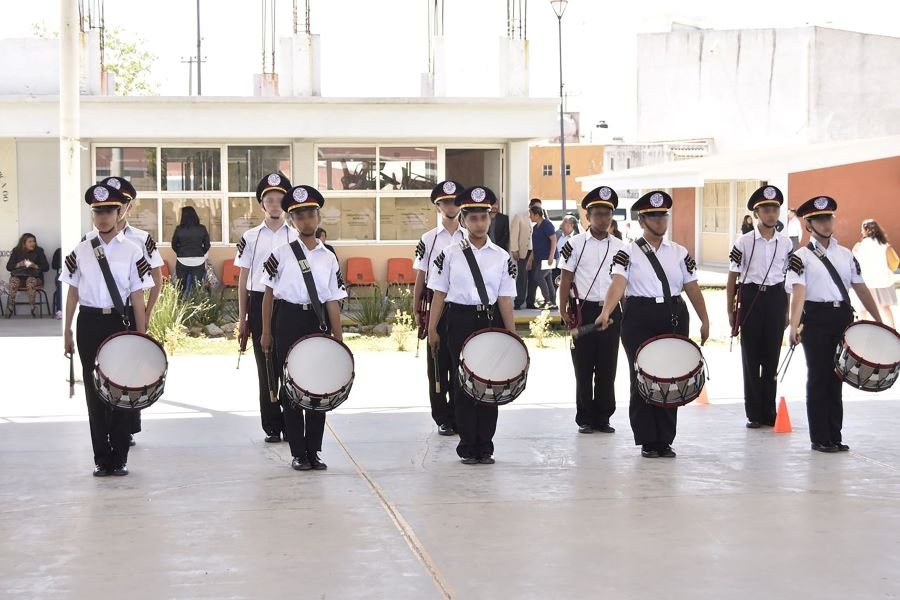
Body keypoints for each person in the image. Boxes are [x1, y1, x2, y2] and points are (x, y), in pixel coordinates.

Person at [596, 190, 710, 459]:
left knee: (672, 378)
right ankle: (648, 439)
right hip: (639, 316)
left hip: (673, 313)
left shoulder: (679, 252)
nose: (660, 221)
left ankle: (665, 440)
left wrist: (705, 319)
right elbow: (618, 283)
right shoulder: (627, 252)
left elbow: (692, 287)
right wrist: (606, 311)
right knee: (643, 376)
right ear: (642, 220)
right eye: (654, 217)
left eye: (663, 216)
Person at [62, 184, 154, 477]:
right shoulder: (81, 250)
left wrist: (141, 335)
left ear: (119, 213)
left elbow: (137, 296)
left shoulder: (132, 251)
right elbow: (72, 293)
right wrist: (67, 331)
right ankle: (101, 458)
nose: (103, 217)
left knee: (122, 390)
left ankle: (120, 456)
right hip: (89, 323)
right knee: (94, 392)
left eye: (108, 211)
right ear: (92, 215)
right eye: (97, 212)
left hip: (119, 322)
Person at [427, 186, 517, 465]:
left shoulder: (501, 257)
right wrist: (432, 329)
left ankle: (485, 446)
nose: (479, 223)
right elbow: (439, 293)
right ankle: (468, 446)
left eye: (484, 217)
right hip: (459, 320)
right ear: (464, 220)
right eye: (473, 218)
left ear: (490, 218)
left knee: (489, 384)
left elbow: (505, 298)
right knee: (464, 384)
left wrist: (512, 334)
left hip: (490, 320)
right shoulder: (449, 254)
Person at [786, 196, 882, 453]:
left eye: (828, 218)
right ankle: (820, 437)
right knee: (819, 375)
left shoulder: (846, 254)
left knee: (837, 376)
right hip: (815, 319)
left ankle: (834, 435)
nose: (826, 223)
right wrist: (793, 326)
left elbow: (861, 288)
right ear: (808, 225)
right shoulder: (801, 257)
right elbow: (798, 292)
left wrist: (879, 320)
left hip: (842, 318)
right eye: (819, 219)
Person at [260, 184, 347, 471]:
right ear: (292, 220)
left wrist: (338, 337)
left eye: (310, 215)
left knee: (318, 387)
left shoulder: (329, 256)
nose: (306, 221)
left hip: (316, 321)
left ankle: (314, 450)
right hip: (287, 320)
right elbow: (268, 295)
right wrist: (266, 332)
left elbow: (332, 299)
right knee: (291, 387)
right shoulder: (281, 253)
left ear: (318, 218)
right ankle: (298, 452)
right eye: (299, 216)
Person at [85, 176, 165, 446]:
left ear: (127, 207)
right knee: (102, 372)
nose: (112, 211)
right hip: (97, 314)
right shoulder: (90, 241)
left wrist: (147, 313)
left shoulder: (141, 239)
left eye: (120, 204)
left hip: (129, 312)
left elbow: (156, 279)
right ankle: (106, 430)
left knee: (128, 373)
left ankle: (126, 428)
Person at [235, 173, 297, 444]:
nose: (274, 204)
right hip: (259, 301)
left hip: (286, 304)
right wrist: (242, 318)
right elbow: (243, 279)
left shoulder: (295, 235)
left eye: (279, 200)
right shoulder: (250, 237)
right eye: (269, 200)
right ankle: (272, 424)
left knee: (289, 364)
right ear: (262, 204)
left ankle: (291, 422)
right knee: (265, 365)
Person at [559, 186, 626, 435]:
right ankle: (585, 418)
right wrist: (562, 308)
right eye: (598, 214)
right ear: (587, 216)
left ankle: (603, 417)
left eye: (607, 214)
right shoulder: (574, 244)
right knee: (584, 368)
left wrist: (625, 312)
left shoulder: (621, 247)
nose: (603, 219)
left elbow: (623, 284)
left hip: (611, 312)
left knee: (608, 368)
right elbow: (566, 278)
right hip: (583, 310)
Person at [726, 185, 793, 429]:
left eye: (774, 209)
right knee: (751, 358)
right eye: (765, 210)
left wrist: (787, 311)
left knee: (772, 357)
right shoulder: (743, 241)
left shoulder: (786, 243)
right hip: (751, 297)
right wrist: (730, 310)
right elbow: (732, 276)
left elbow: (788, 280)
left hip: (775, 298)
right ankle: (754, 413)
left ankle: (769, 411)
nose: (771, 214)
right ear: (756, 214)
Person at [413, 180, 467, 436]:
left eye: (455, 202)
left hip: (461, 306)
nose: (450, 206)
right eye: (445, 203)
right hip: (436, 307)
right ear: (438, 207)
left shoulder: (469, 236)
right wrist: (416, 308)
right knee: (436, 364)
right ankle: (442, 417)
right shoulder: (429, 239)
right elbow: (421, 274)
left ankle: (458, 414)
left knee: (460, 364)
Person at [853, 219, 898, 329]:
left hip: (867, 282)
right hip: (884, 281)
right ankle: (893, 329)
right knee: (885, 307)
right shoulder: (885, 245)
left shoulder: (859, 246)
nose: (861, 232)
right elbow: (894, 263)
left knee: (864, 308)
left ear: (865, 230)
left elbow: (854, 262)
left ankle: (864, 329)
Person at [5, 233, 49, 317]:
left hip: (35, 277)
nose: (33, 243)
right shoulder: (16, 251)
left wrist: (35, 266)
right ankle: (10, 306)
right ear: (24, 243)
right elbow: (9, 266)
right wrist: (18, 264)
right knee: (14, 280)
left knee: (30, 281)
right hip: (20, 277)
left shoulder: (39, 251)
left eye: (34, 241)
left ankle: (33, 306)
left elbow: (46, 267)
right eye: (30, 241)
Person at [171, 206, 211, 294]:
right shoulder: (202, 228)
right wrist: (201, 252)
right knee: (196, 288)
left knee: (181, 288)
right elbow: (207, 245)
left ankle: (180, 302)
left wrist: (180, 252)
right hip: (198, 261)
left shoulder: (179, 229)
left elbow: (173, 245)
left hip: (182, 260)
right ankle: (196, 302)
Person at [526, 205, 557, 309]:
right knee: (548, 280)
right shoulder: (535, 228)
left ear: (537, 215)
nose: (530, 216)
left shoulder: (547, 225)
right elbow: (535, 246)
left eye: (531, 214)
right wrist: (530, 260)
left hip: (548, 259)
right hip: (539, 259)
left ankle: (548, 300)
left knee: (538, 276)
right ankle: (552, 303)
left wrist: (551, 256)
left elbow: (554, 240)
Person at [509, 201, 533, 309]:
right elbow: (514, 234)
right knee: (522, 277)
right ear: (530, 207)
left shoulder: (541, 217)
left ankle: (531, 302)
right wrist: (514, 249)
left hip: (535, 252)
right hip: (524, 252)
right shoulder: (520, 217)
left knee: (534, 278)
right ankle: (518, 301)